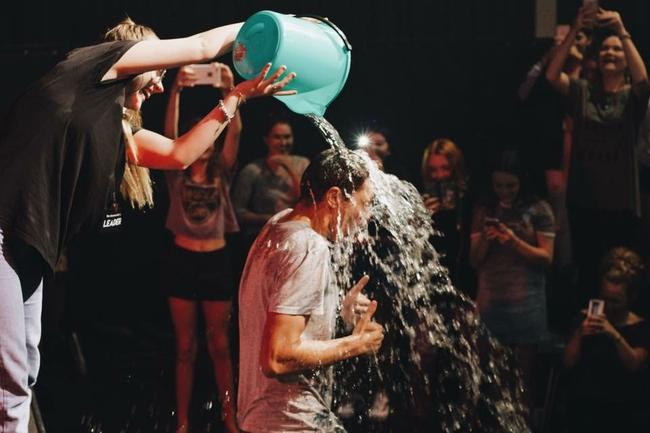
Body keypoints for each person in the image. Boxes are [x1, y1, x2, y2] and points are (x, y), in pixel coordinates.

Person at [0, 15, 297, 432]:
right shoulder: (93, 65)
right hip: (3, 235)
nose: (158, 85)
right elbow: (199, 47)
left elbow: (179, 154)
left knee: (23, 370)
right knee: (11, 379)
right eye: (157, 72)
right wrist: (266, 24)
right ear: (134, 60)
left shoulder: (118, 129)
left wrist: (237, 98)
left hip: (28, 250)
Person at [237, 148, 384, 432]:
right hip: (292, 422)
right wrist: (356, 344)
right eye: (364, 205)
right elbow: (278, 357)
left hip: (263, 418)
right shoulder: (308, 247)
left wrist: (337, 309)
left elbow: (277, 313)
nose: (366, 217)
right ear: (333, 197)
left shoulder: (278, 224)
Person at [545, 5, 650, 311]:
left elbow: (644, 81)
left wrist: (622, 31)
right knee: (588, 273)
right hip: (584, 200)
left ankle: (622, 336)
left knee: (622, 275)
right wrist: (576, 29)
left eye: (616, 50)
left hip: (621, 203)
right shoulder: (582, 91)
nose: (611, 53)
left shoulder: (632, 95)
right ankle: (587, 336)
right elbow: (552, 76)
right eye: (605, 49)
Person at [161, 61, 242, 433]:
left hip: (215, 260)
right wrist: (175, 90)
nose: (206, 144)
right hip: (181, 260)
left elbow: (233, 135)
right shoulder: (176, 174)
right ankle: (183, 422)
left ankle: (229, 416)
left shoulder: (222, 172)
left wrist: (230, 94)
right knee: (185, 348)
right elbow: (169, 135)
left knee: (220, 346)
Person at [469, 150, 555, 418]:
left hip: (525, 305)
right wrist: (487, 237)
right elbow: (475, 260)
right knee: (484, 377)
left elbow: (546, 258)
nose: (504, 191)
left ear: (522, 182)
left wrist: (513, 240)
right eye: (499, 185)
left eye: (510, 185)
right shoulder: (485, 208)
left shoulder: (539, 209)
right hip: (490, 301)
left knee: (522, 382)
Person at [563, 246, 650, 432]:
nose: (609, 307)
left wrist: (613, 333)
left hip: (625, 412)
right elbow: (568, 363)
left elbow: (634, 364)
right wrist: (579, 334)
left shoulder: (642, 328)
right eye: (605, 299)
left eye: (616, 301)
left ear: (632, 297)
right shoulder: (583, 320)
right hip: (585, 410)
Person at [231, 116, 309, 252]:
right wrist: (271, 219)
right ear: (267, 140)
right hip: (262, 238)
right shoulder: (253, 170)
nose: (283, 142)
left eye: (287, 137)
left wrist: (288, 167)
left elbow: (307, 201)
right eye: (277, 137)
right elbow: (238, 212)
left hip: (297, 236)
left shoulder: (303, 164)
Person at [420, 138, 472, 293]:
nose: (439, 175)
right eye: (433, 170)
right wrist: (422, 217)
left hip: (466, 279)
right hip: (433, 282)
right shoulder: (422, 200)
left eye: (445, 168)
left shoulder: (469, 201)